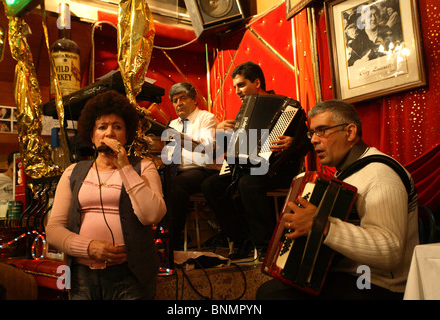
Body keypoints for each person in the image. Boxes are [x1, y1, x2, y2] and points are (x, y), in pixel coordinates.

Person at [256, 99, 419, 300]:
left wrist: (321, 225)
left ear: (350, 132)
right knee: (272, 289)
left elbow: (389, 251)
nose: (314, 140)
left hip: (379, 285)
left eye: (322, 130)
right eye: (312, 133)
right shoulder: (346, 174)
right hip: (352, 276)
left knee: (273, 297)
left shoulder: (380, 176)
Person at [45, 90, 166, 300]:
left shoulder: (143, 167)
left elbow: (152, 216)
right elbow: (54, 231)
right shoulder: (73, 172)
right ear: (92, 136)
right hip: (82, 275)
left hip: (132, 275)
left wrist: (125, 167)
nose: (109, 133)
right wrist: (89, 248)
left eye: (117, 127)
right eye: (102, 127)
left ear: (126, 135)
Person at [201, 61, 312, 260]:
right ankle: (242, 240)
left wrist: (293, 142)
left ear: (257, 82)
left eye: (241, 85)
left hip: (280, 168)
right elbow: (238, 149)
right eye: (235, 87)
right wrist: (222, 135)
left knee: (248, 184)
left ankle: (266, 245)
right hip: (248, 168)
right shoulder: (244, 113)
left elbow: (309, 141)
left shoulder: (288, 106)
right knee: (211, 185)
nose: (237, 91)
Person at [163, 82, 219, 250]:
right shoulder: (172, 124)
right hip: (177, 172)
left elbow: (208, 147)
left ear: (194, 101)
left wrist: (180, 138)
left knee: (177, 186)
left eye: (183, 98)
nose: (178, 103)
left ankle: (173, 243)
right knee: (155, 183)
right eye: (175, 100)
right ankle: (158, 239)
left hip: (203, 170)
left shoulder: (206, 118)